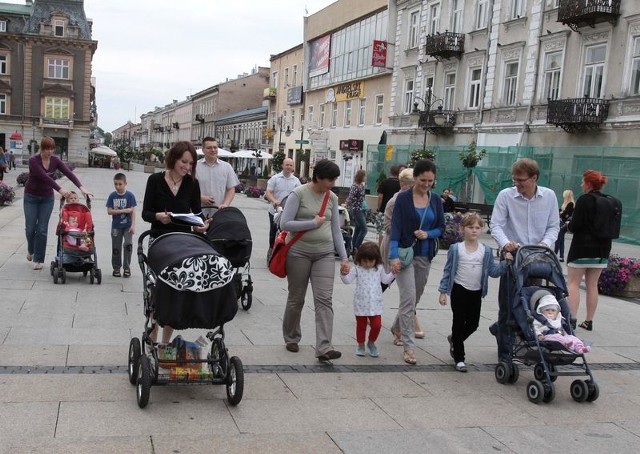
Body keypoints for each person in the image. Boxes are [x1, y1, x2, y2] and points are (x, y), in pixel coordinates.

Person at [279, 159, 350, 362]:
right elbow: (285, 223)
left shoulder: (332, 197)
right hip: (298, 253)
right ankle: (292, 337)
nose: (333, 183)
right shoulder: (299, 193)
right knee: (296, 298)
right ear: (318, 177)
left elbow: (336, 229)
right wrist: (312, 223)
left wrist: (344, 257)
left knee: (324, 299)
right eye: (330, 179)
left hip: (325, 253)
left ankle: (324, 347)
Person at [490, 158, 559, 364]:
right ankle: (505, 355)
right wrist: (506, 244)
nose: (517, 184)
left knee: (532, 302)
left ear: (534, 178)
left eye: (521, 180)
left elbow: (554, 226)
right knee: (508, 304)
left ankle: (509, 333)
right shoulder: (506, 196)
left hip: (538, 257)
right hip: (514, 256)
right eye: (515, 180)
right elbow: (496, 225)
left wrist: (545, 244)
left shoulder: (549, 196)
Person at [142, 141, 209, 344]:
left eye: (191, 163)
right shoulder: (155, 180)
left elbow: (197, 214)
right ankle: (152, 335)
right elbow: (146, 213)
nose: (187, 167)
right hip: (159, 241)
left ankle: (165, 341)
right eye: (184, 162)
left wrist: (200, 225)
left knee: (176, 291)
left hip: (181, 244)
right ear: (174, 159)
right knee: (156, 290)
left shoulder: (192, 184)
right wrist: (158, 216)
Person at [388, 160, 445, 365]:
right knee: (408, 297)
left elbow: (441, 228)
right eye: (423, 180)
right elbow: (395, 228)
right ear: (415, 178)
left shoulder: (436, 200)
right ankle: (409, 347)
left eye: (431, 181)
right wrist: (393, 256)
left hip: (424, 254)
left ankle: (397, 327)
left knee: (415, 297)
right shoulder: (402, 199)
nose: (427, 184)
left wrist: (427, 233)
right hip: (404, 254)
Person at [438, 213, 510, 372]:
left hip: (476, 292)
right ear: (462, 229)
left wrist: (506, 263)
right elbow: (448, 270)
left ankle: (455, 340)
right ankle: (459, 358)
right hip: (459, 289)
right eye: (470, 227)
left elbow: (493, 271)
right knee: (458, 322)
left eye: (478, 227)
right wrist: (443, 292)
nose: (474, 231)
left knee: (473, 323)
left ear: (482, 230)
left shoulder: (486, 250)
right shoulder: (456, 249)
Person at [23, 136, 93, 270]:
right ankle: (31, 249)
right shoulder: (33, 161)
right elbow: (44, 177)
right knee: (30, 228)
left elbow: (68, 173)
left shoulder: (55, 161)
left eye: (51, 149)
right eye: (46, 149)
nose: (49, 152)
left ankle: (38, 259)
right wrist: (60, 189)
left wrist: (81, 187)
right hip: (31, 197)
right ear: (41, 149)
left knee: (42, 229)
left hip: (46, 198)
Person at [566, 170, 612, 332]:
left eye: (583, 181)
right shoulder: (609, 201)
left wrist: (568, 224)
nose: (581, 184)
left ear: (588, 184)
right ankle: (589, 320)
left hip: (581, 249)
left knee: (573, 283)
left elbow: (575, 225)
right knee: (592, 285)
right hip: (602, 250)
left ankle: (571, 318)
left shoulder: (585, 200)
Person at [381, 167, 423, 338]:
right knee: (397, 286)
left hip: (412, 248)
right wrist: (407, 231)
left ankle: (406, 321)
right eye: (413, 184)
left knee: (409, 289)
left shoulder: (420, 200)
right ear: (404, 184)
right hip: (395, 247)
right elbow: (387, 226)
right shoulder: (394, 201)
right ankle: (402, 327)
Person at [340, 241, 395, 357]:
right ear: (360, 259)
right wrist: (343, 274)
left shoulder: (379, 268)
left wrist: (393, 273)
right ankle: (360, 345)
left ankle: (371, 342)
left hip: (375, 303)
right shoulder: (357, 269)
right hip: (361, 303)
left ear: (376, 260)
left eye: (371, 261)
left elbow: (385, 280)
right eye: (365, 261)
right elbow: (347, 281)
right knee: (361, 326)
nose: (368, 264)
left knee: (377, 325)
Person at [265, 157, 301, 261]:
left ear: (293, 167)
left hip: (288, 212)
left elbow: (300, 195)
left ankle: (282, 254)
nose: (289, 167)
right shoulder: (275, 178)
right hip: (274, 210)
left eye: (291, 165)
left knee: (286, 233)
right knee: (273, 231)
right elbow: (269, 192)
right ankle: (271, 249)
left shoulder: (296, 181)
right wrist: (274, 201)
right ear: (283, 166)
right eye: (287, 165)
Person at [195, 137, 239, 217]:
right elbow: (188, 188)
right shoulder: (195, 167)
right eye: (209, 148)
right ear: (203, 150)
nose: (213, 150)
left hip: (219, 212)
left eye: (215, 147)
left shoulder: (227, 167)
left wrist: (225, 204)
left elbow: (231, 189)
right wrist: (199, 197)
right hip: (199, 210)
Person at [106, 173, 137, 278]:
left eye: (120, 184)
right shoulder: (112, 196)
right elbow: (109, 211)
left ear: (125, 183)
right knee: (116, 247)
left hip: (127, 225)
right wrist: (124, 210)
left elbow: (133, 211)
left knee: (128, 245)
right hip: (116, 226)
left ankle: (127, 267)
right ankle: (116, 268)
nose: (117, 186)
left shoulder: (130, 196)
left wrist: (133, 225)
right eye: (115, 184)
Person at [376, 165, 402, 247]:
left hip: (384, 210)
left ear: (390, 172)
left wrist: (379, 208)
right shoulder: (400, 184)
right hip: (396, 211)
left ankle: (380, 250)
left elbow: (380, 197)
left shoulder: (384, 182)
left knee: (382, 232)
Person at [345, 169, 368, 254]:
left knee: (358, 229)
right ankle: (356, 248)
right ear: (361, 176)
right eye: (365, 176)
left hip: (362, 209)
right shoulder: (355, 186)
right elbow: (351, 197)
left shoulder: (361, 185)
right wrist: (346, 204)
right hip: (356, 209)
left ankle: (353, 248)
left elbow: (362, 198)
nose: (366, 178)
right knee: (364, 229)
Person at [554, 189, 575, 262]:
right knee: (561, 239)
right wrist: (561, 213)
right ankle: (561, 256)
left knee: (558, 239)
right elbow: (561, 211)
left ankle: (554, 254)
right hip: (562, 222)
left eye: (564, 194)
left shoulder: (570, 203)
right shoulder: (566, 203)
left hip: (564, 223)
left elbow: (565, 213)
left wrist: (562, 213)